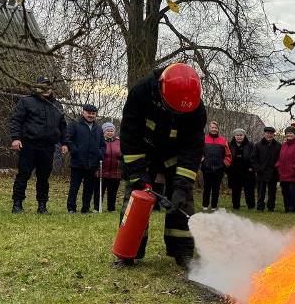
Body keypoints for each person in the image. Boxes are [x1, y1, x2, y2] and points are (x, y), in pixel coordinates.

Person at [118, 62, 206, 268]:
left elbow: (192, 150)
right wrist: (138, 174)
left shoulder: (196, 109)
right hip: (143, 151)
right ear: (160, 90)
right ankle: (128, 252)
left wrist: (182, 186)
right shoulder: (140, 93)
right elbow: (130, 136)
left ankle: (182, 252)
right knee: (136, 196)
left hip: (176, 155)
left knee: (183, 200)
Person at [9, 76, 68, 214]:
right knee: (23, 174)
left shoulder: (57, 105)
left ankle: (42, 205)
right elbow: (16, 120)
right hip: (29, 145)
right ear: (36, 87)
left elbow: (63, 126)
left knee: (44, 177)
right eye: (42, 86)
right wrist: (16, 138)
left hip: (48, 147)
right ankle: (17, 204)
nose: (46, 89)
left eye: (48, 86)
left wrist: (64, 142)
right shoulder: (26, 101)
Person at [66, 104, 105, 213]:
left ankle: (85, 208)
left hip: (92, 163)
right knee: (74, 187)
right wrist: (75, 150)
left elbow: (103, 145)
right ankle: (71, 208)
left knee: (89, 188)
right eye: (88, 113)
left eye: (93, 114)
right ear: (83, 112)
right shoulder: (74, 125)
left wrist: (100, 154)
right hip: (77, 162)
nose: (91, 115)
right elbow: (68, 140)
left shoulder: (98, 128)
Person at [201, 121, 231, 211]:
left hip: (219, 169)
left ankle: (214, 206)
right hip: (206, 168)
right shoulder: (204, 139)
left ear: (218, 129)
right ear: (209, 128)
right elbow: (199, 152)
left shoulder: (223, 140)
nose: (214, 129)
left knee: (216, 189)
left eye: (215, 128)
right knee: (206, 188)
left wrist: (224, 165)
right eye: (212, 127)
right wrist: (202, 160)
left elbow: (228, 155)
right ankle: (205, 205)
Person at [276, 126, 295, 213]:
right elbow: (279, 157)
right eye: (287, 133)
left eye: (291, 133)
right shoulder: (284, 145)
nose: (289, 135)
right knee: (285, 193)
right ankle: (287, 209)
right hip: (284, 174)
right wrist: (278, 166)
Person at [252, 126, 281, 212]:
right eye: (267, 133)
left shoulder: (278, 145)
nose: (269, 135)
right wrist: (258, 169)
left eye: (271, 133)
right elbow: (253, 158)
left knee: (272, 192)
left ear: (273, 135)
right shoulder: (258, 145)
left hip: (273, 172)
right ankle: (260, 207)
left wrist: (277, 166)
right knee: (261, 192)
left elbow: (280, 158)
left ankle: (271, 207)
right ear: (264, 134)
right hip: (261, 172)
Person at [227, 128, 255, 210]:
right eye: (237, 135)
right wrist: (228, 169)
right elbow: (227, 157)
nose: (239, 137)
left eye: (241, 135)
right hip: (234, 171)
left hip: (247, 171)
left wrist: (251, 168)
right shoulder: (230, 145)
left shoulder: (250, 145)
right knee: (235, 190)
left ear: (244, 136)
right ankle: (236, 206)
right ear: (234, 136)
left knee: (249, 189)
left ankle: (251, 206)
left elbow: (253, 158)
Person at [98, 122, 121, 212]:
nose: (110, 132)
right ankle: (98, 207)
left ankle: (111, 208)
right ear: (103, 132)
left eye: (112, 131)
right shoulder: (100, 141)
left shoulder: (118, 141)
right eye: (108, 131)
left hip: (115, 172)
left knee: (113, 191)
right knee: (100, 191)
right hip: (102, 171)